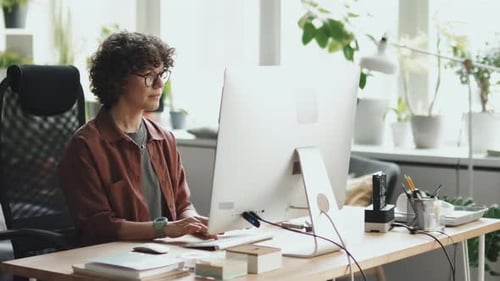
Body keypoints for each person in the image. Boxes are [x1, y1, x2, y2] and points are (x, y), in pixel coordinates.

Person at [58, 31, 213, 246]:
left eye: (162, 73)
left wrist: (193, 223)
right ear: (119, 80)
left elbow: (182, 203)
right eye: (149, 75)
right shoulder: (86, 146)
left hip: (164, 254)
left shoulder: (163, 138)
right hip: (114, 260)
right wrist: (165, 229)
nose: (159, 84)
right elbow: (99, 225)